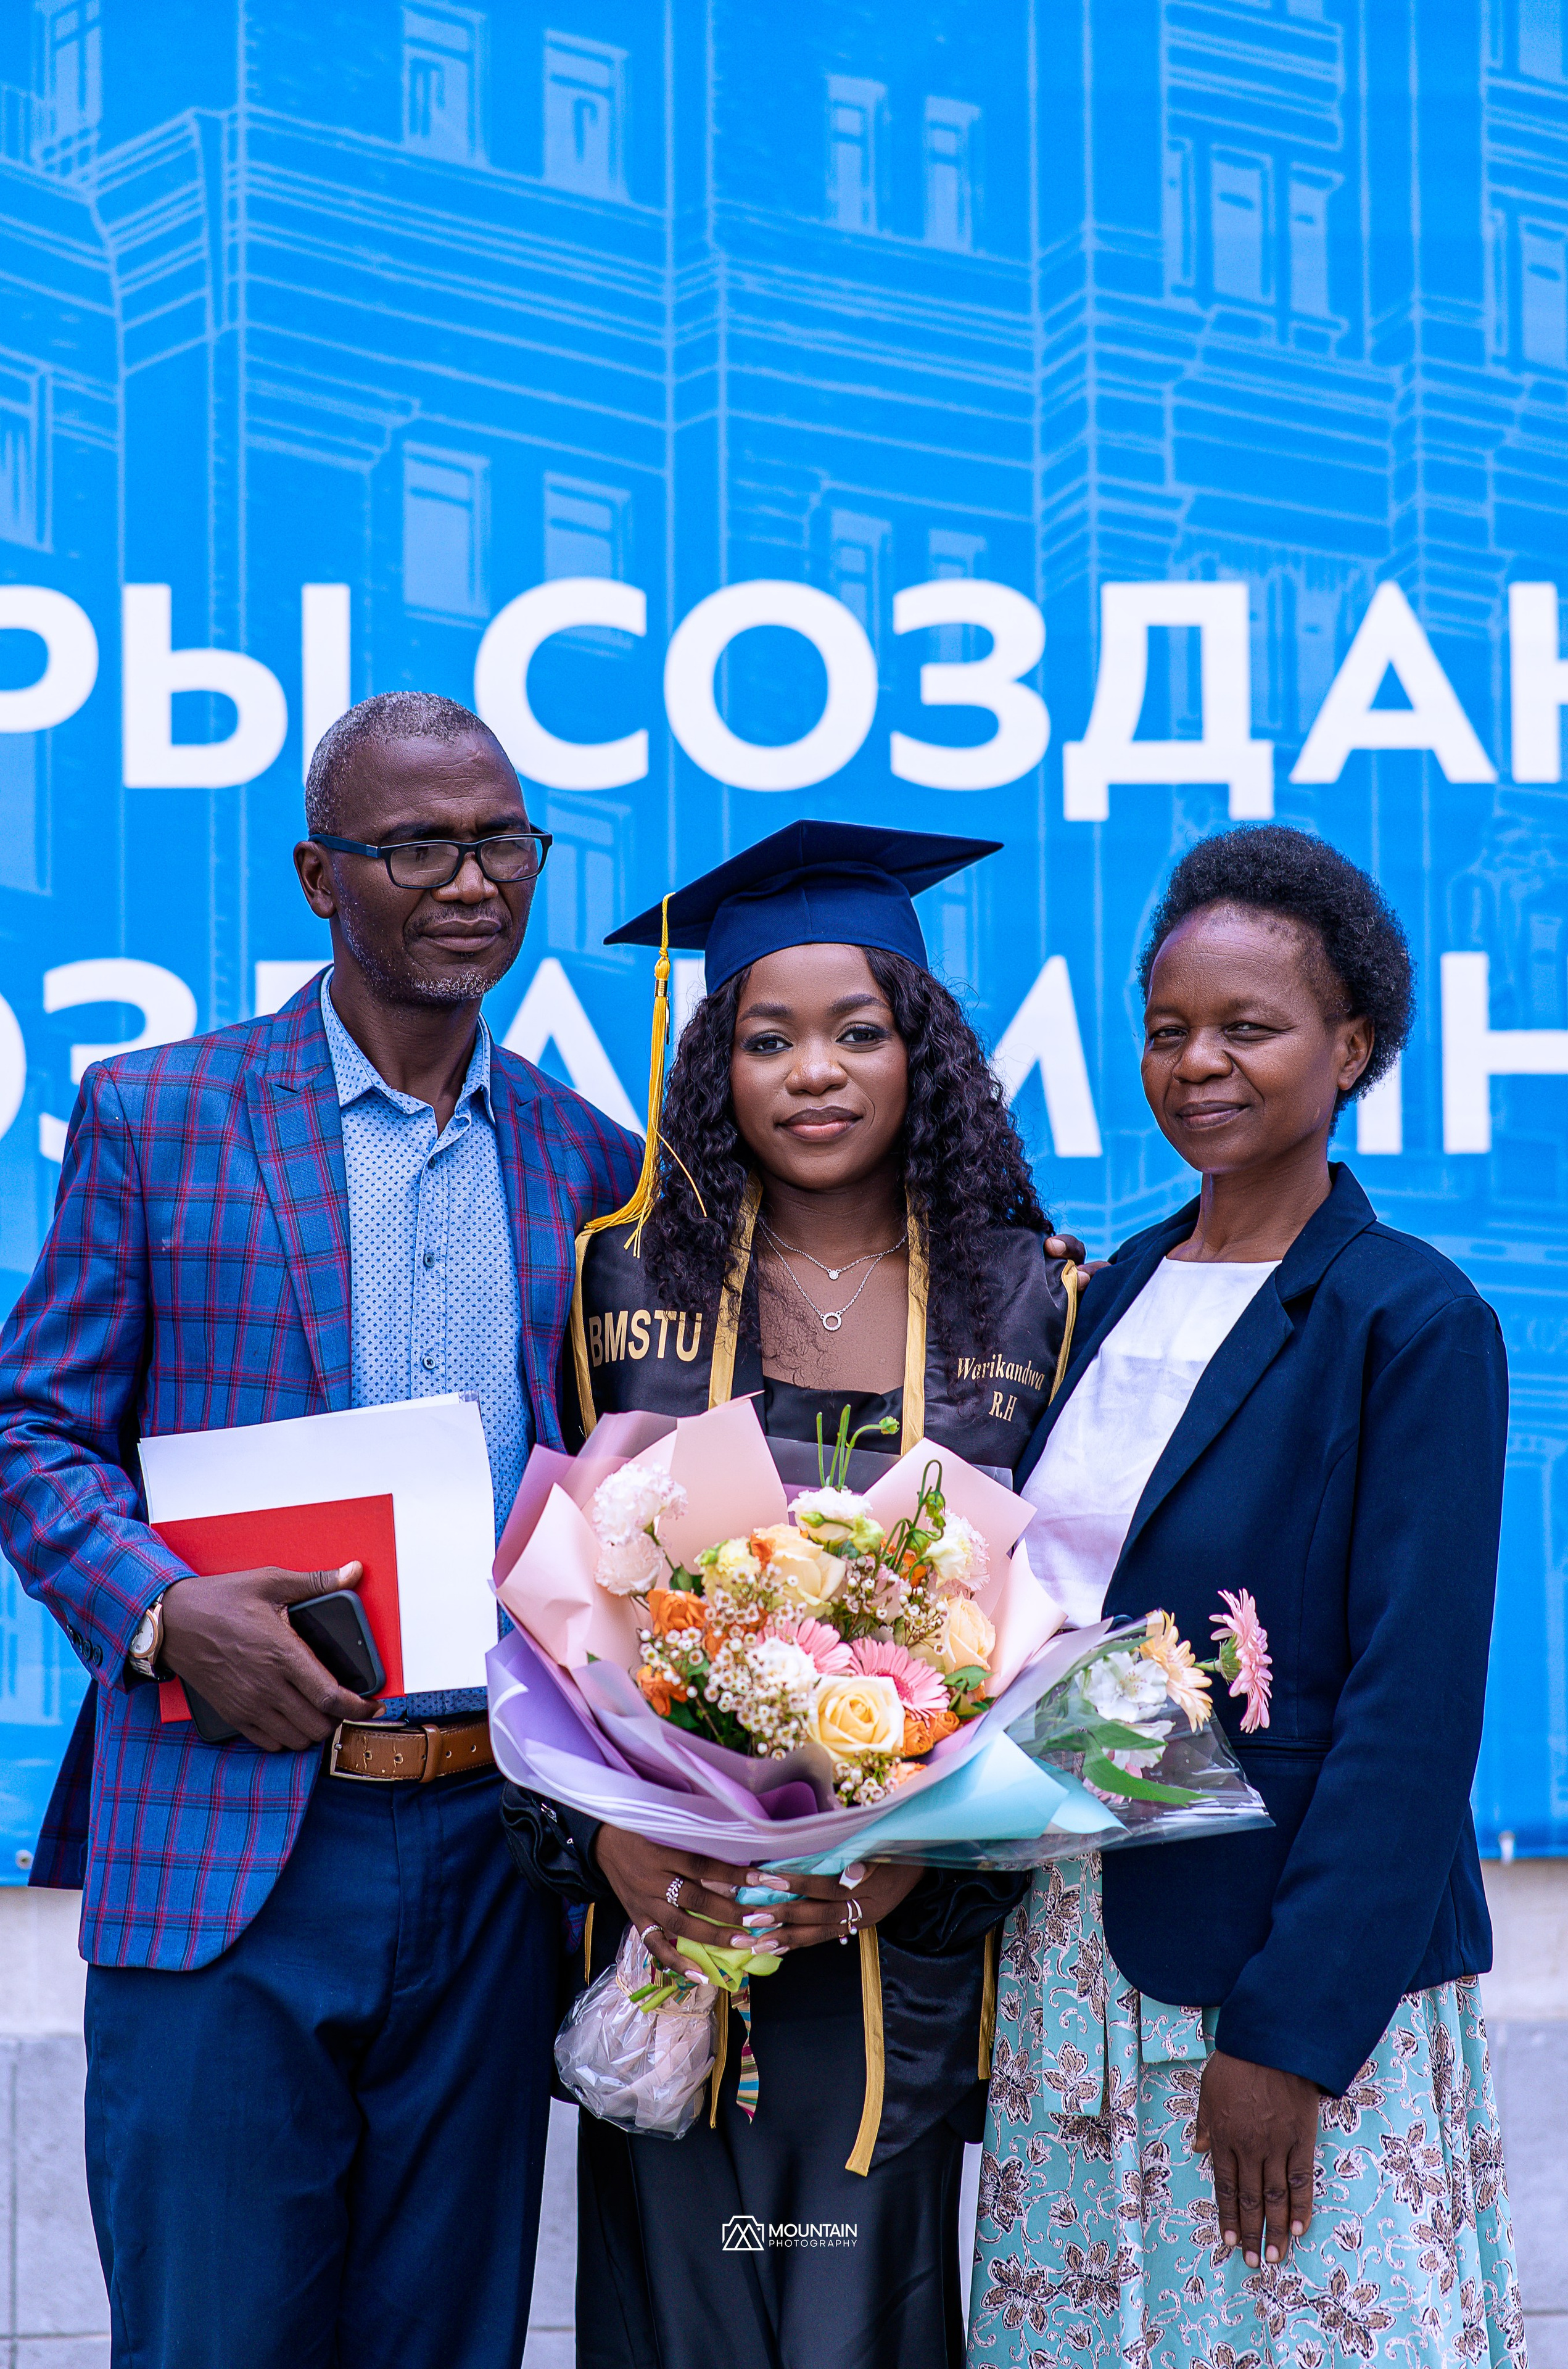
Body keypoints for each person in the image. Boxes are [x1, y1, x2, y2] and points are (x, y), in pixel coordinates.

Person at [0, 692, 640, 2369]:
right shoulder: (159, 1115)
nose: (471, 881)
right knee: (210, 2339)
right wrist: (163, 1613)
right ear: (316, 876)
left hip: (494, 1854)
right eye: (417, 846)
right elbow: (31, 1432)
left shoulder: (592, 1165)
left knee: (448, 2341)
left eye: (501, 842)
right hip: (228, 1839)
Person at [503, 821, 1087, 2369]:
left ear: (921, 1055)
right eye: (766, 1039)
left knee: (862, 2316)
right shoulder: (619, 1278)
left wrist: (920, 1862)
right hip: (670, 1923)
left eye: (856, 1033)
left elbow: (1069, 1635)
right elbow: (546, 1622)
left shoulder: (1031, 1293)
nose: (812, 1072)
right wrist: (609, 1840)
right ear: (717, 1066)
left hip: (897, 1936)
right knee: (675, 2317)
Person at [969, 826, 1524, 2369]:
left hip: (1275, 1980)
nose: (1197, 1062)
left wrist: (1288, 2037)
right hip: (1076, 1959)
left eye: (1247, 1027)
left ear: (1351, 1048)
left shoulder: (1409, 1319)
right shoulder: (1107, 1290)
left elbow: (1412, 1714)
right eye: (1167, 1029)